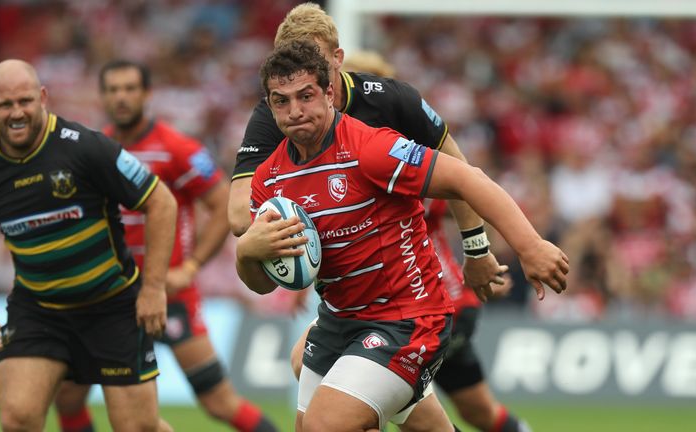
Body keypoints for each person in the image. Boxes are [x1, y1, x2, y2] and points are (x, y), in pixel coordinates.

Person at [237, 40, 569, 432]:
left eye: (305, 96)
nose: (295, 111)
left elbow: (467, 179)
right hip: (338, 322)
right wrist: (246, 252)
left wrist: (530, 247)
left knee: (323, 425)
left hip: (406, 319)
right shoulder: (269, 179)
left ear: (329, 93)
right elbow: (261, 284)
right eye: (281, 101)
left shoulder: (370, 148)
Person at [296, 51, 534, 432]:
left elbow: (464, 184)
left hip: (435, 298)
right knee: (319, 376)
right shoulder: (335, 153)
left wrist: (479, 252)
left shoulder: (401, 152)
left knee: (477, 412)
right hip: (373, 307)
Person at [52, 60, 279, 432]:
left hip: (170, 295)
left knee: (218, 402)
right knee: (68, 395)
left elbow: (224, 207)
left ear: (146, 94)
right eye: (113, 90)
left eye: (129, 88)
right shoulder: (95, 151)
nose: (121, 97)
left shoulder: (176, 148)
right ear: (103, 97)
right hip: (110, 295)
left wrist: (189, 269)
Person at [227, 2, 508, 302]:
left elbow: (461, 175)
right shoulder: (278, 114)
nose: (304, 75)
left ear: (338, 59)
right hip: (345, 289)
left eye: (316, 64)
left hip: (412, 280)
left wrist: (477, 250)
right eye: (294, 65)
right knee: (304, 350)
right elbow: (241, 217)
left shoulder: (390, 100)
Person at [0, 59, 178, 431]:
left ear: (43, 97)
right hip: (39, 311)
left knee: (139, 426)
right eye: (5, 105)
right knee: (18, 418)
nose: (16, 113)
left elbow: (161, 202)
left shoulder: (86, 148)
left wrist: (153, 288)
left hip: (112, 306)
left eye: (24, 101)